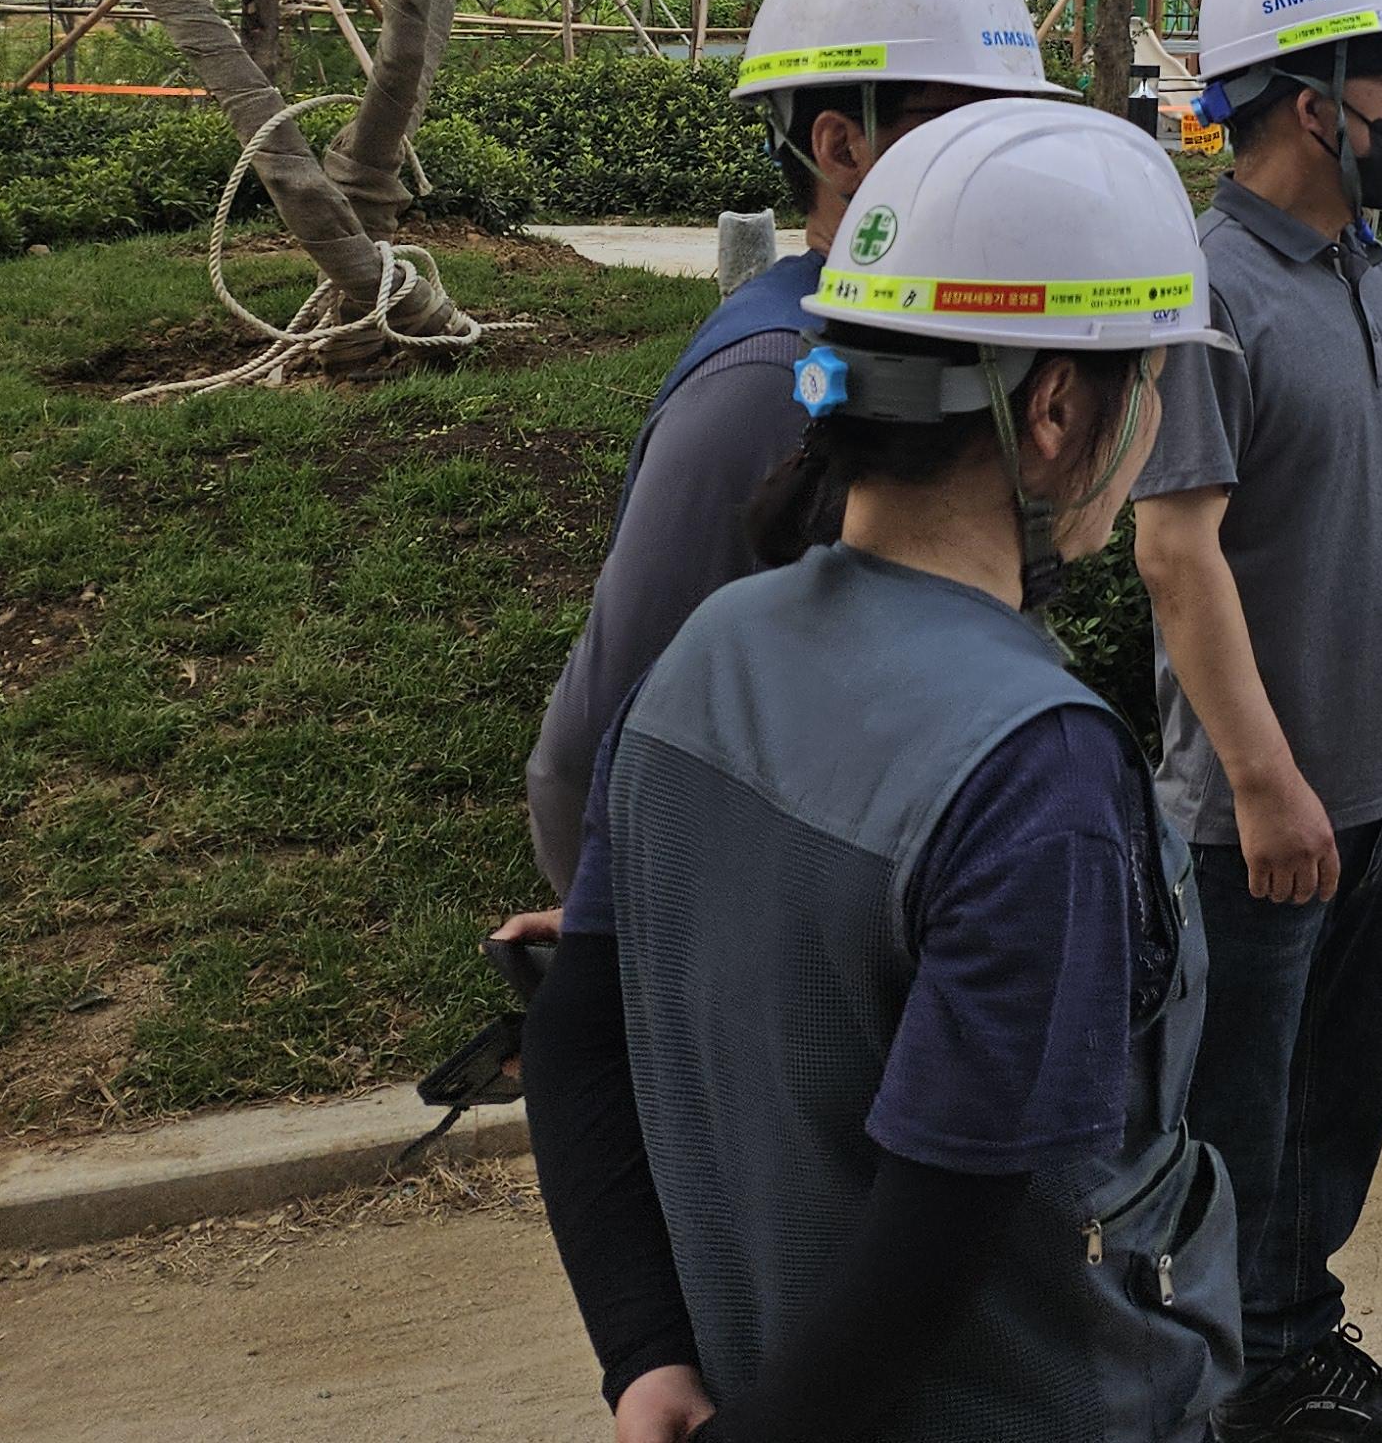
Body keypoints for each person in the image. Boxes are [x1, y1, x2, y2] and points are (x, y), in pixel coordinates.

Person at [523, 97, 1242, 1443]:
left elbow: (572, 1034)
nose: (1153, 423)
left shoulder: (709, 651)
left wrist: (647, 1357)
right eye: (1149, 380)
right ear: (1054, 408)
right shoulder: (1036, 766)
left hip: (755, 1380)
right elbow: (945, 1219)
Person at [1133, 0, 1382, 1442]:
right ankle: (1206, 1386)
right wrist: (1265, 783)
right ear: (1313, 103)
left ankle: (1286, 1348)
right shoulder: (1203, 293)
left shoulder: (1366, 265)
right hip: (1262, 819)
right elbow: (1175, 552)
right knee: (1234, 1118)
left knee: (1336, 1097)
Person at [517, 0, 1057, 899]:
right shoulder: (774, 379)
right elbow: (589, 748)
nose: (1002, 158)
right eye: (966, 123)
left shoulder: (929, 344)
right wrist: (637, 960)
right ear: (841, 145)